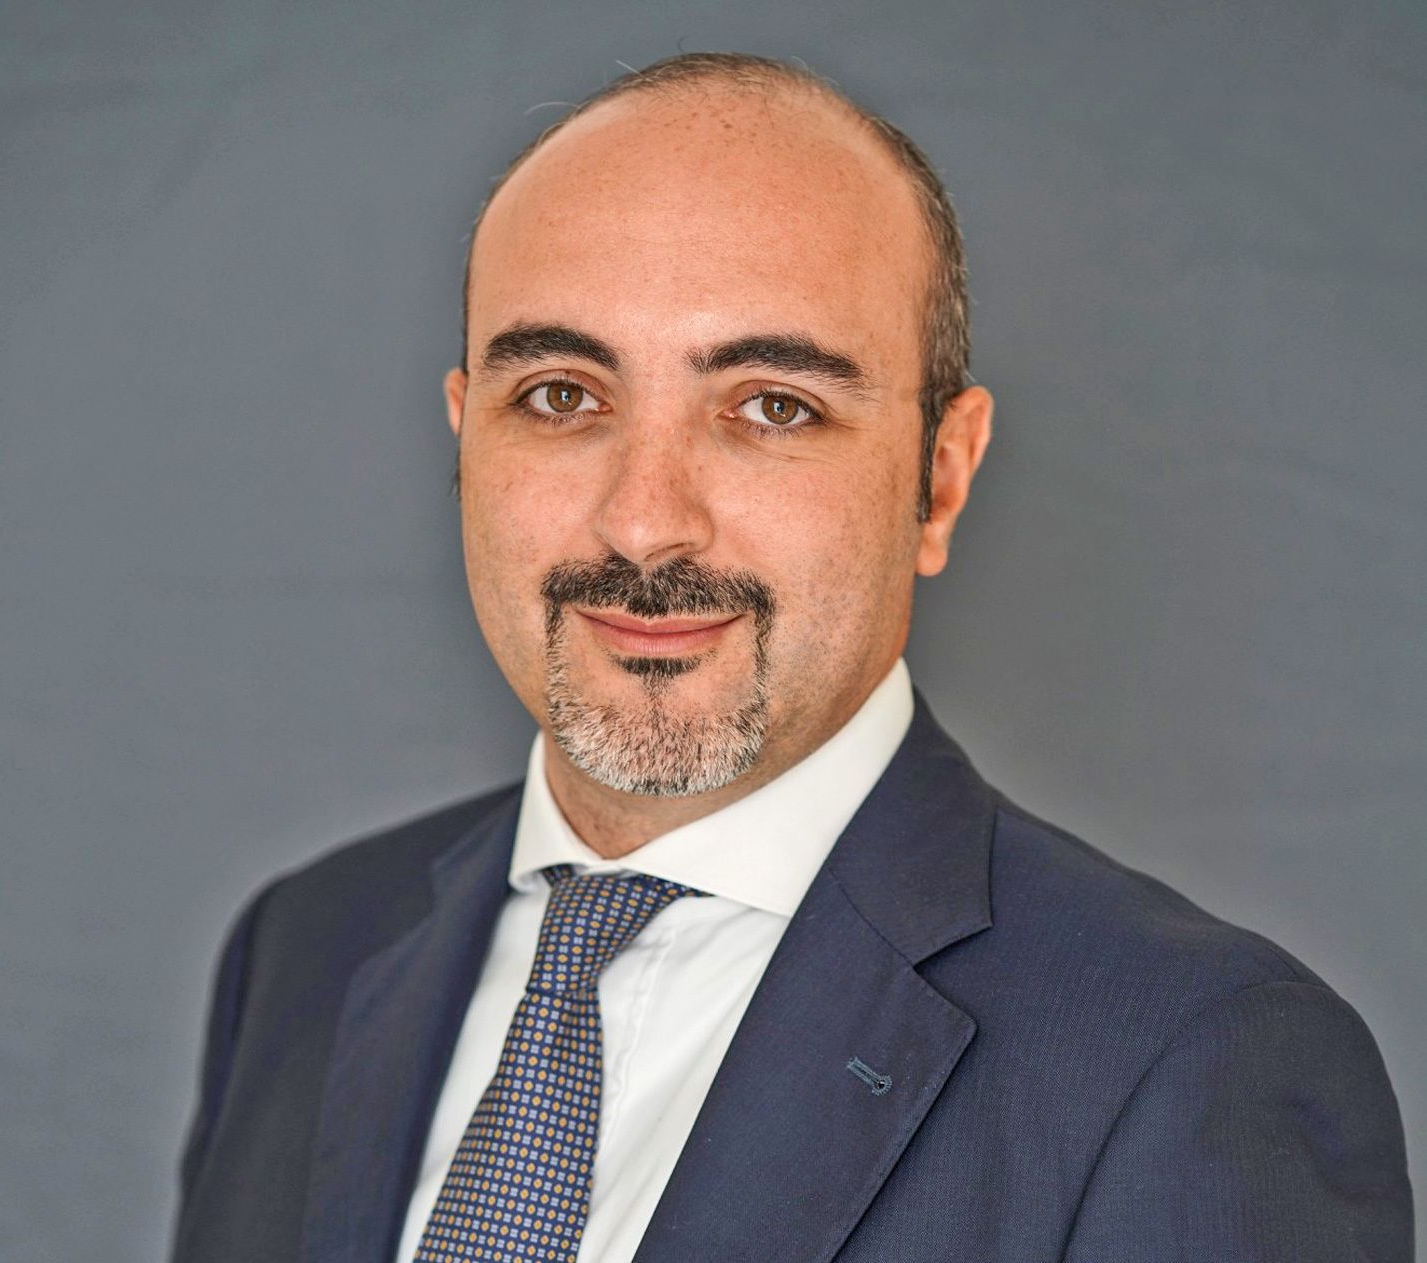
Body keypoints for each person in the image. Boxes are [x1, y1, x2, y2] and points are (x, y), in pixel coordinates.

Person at [169, 53, 1413, 1263]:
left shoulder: (1192, 1061)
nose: (644, 522)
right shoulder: (304, 951)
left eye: (774, 405)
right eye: (560, 396)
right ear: (464, 440)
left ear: (940, 479)